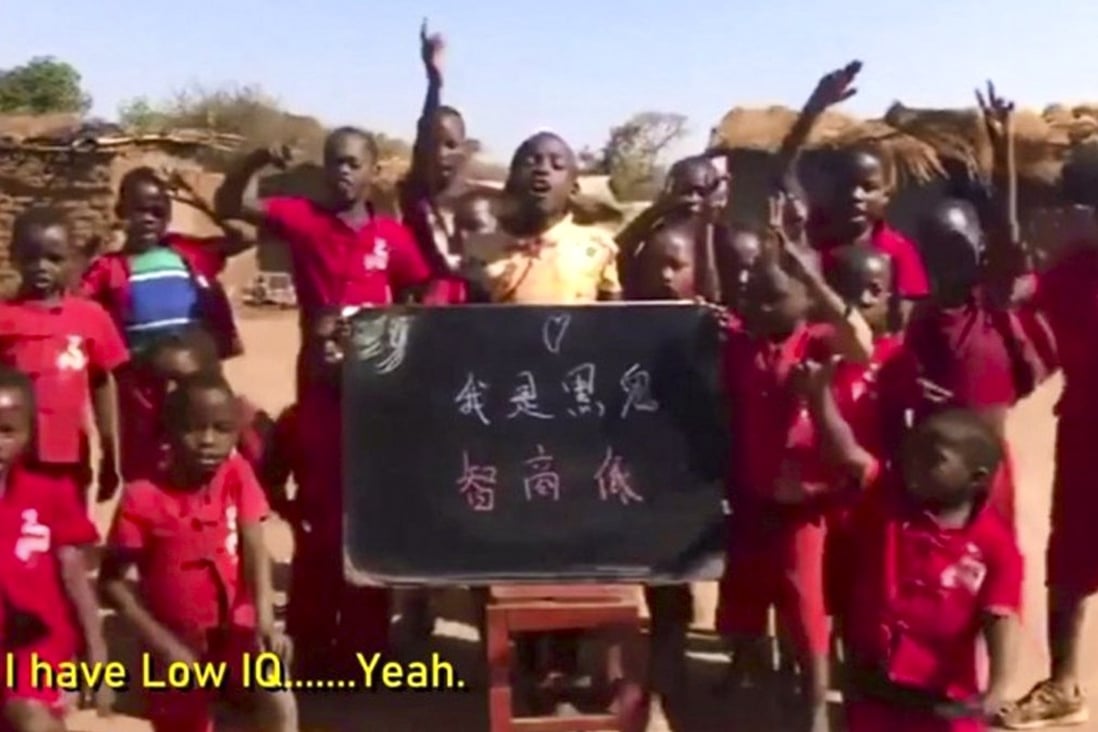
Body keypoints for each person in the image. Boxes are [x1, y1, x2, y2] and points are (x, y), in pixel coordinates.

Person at [715, 196, 874, 732]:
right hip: (749, 503)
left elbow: (862, 342)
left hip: (801, 511)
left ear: (805, 302)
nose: (755, 309)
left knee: (808, 620)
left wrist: (811, 274)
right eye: (749, 300)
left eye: (770, 300)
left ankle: (812, 712)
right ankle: (759, 688)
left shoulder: (818, 344)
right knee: (742, 610)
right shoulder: (739, 343)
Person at [803, 358, 1021, 732]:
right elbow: (848, 453)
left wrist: (998, 687)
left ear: (976, 478)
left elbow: (1001, 617)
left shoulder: (995, 546)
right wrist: (819, 395)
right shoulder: (883, 501)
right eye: (912, 452)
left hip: (945, 699)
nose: (913, 464)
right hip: (873, 686)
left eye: (932, 459)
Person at [99, 373, 297, 732]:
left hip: (239, 625)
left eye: (222, 429)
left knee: (278, 695)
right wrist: (164, 645)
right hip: (176, 637)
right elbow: (112, 585)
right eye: (194, 429)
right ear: (169, 433)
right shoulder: (142, 497)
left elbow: (254, 542)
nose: (208, 441)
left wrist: (265, 619)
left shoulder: (235, 472)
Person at [214, 126, 460, 396]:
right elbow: (231, 204)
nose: (344, 170)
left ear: (373, 172)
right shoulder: (302, 218)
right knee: (317, 435)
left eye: (353, 164)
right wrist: (258, 159)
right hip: (318, 365)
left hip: (374, 365)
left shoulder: (392, 235)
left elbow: (421, 288)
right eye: (336, 162)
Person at [993, 144, 1098, 730]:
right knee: (1072, 562)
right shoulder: (1068, 273)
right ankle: (1063, 685)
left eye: (1076, 208)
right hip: (1086, 434)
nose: (1067, 219)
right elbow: (1017, 309)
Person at [258, 310, 390, 679]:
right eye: (321, 344)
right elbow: (270, 476)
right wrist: (293, 514)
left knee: (366, 644)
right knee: (310, 629)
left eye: (342, 340)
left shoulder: (382, 416)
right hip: (316, 539)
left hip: (368, 542)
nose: (332, 351)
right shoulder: (295, 419)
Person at [0, 366, 111, 731]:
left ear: (29, 436)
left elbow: (75, 575)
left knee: (32, 718)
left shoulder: (50, 494)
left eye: (7, 431)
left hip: (36, 646)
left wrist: (96, 650)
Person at [0, 207, 128, 505]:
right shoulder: (5, 317)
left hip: (69, 455)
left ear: (72, 260)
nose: (42, 267)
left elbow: (101, 383)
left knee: (69, 534)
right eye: (31, 258)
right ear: (13, 257)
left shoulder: (90, 317)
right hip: (15, 456)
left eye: (54, 259)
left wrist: (110, 451)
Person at [80, 166, 245, 359]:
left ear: (168, 217)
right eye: (140, 211)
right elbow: (75, 298)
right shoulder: (108, 267)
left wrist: (195, 199)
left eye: (158, 212)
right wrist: (95, 241)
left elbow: (244, 237)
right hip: (140, 380)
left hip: (196, 376)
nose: (149, 219)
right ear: (121, 212)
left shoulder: (187, 252)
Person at [461, 131, 622, 304]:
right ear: (510, 181)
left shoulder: (597, 246)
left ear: (574, 188)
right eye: (530, 162)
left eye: (557, 165)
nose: (542, 170)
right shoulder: (479, 250)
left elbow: (614, 321)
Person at [113, 326, 269, 484]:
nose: (169, 390)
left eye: (183, 382)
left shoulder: (241, 419)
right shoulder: (142, 424)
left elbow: (266, 479)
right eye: (157, 383)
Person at [400, 20, 475, 273]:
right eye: (433, 145)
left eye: (451, 145)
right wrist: (434, 83)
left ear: (465, 151)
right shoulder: (415, 199)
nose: (441, 154)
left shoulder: (479, 207)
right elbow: (427, 126)